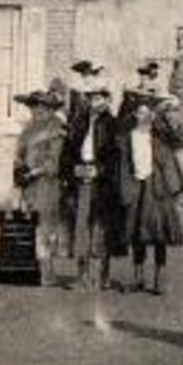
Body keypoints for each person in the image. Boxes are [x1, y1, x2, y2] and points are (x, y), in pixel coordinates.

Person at [117, 73, 183, 295]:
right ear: (135, 114)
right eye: (139, 112)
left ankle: (160, 278)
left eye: (147, 112)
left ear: (152, 114)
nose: (143, 116)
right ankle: (138, 278)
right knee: (137, 234)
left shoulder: (160, 133)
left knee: (159, 233)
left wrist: (171, 116)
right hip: (136, 186)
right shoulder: (128, 136)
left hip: (157, 187)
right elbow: (123, 159)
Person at [64, 59, 122, 292]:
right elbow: (69, 150)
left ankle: (103, 276)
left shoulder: (112, 124)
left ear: (107, 100)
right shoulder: (79, 122)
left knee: (101, 228)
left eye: (99, 98)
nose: (94, 102)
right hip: (82, 178)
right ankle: (82, 275)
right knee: (81, 227)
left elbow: (116, 156)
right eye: (91, 98)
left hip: (102, 182)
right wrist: (74, 168)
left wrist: (101, 170)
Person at [12, 82, 71, 286]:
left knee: (46, 226)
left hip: (47, 183)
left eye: (39, 106)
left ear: (49, 108)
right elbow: (19, 154)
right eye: (32, 106)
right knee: (31, 225)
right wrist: (19, 172)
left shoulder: (56, 128)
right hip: (28, 185)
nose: (35, 110)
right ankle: (33, 268)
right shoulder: (28, 128)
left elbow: (54, 161)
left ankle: (48, 271)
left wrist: (34, 172)